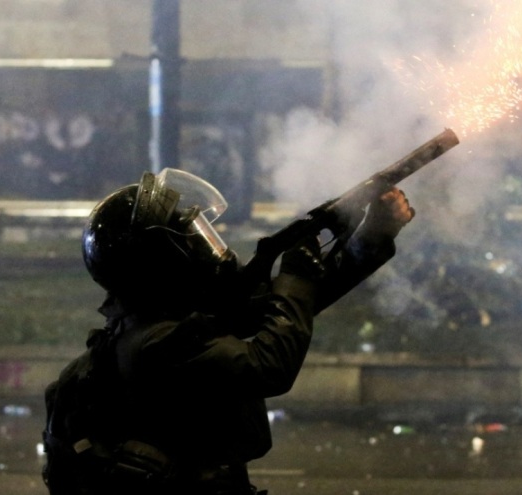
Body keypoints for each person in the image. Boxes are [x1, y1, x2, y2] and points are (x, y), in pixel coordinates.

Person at [42, 167, 414, 495]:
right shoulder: (158, 342)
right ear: (161, 262)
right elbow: (270, 366)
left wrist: (372, 236)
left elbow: (282, 307)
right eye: (191, 238)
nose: (206, 246)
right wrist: (296, 274)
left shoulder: (157, 324)